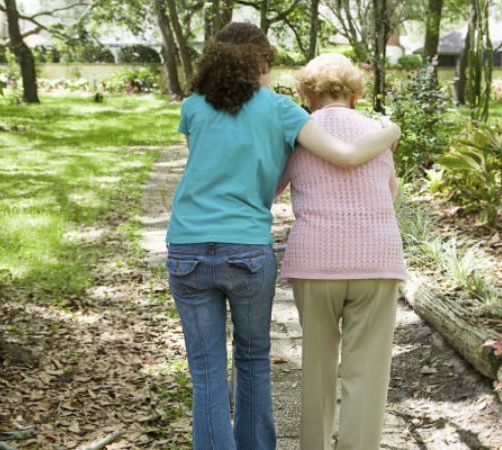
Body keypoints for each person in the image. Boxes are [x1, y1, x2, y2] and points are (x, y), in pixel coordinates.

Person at [166, 23, 400, 450]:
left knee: (206, 370)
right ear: (261, 64)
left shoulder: (193, 107)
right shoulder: (280, 111)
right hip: (248, 251)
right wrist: (390, 132)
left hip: (187, 246)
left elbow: (211, 168)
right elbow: (349, 160)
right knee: (254, 360)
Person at [275, 53, 407, 450]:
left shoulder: (299, 133)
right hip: (376, 261)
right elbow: (390, 193)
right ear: (353, 93)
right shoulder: (378, 131)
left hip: (315, 262)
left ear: (307, 95)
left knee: (317, 366)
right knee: (366, 372)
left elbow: (272, 190)